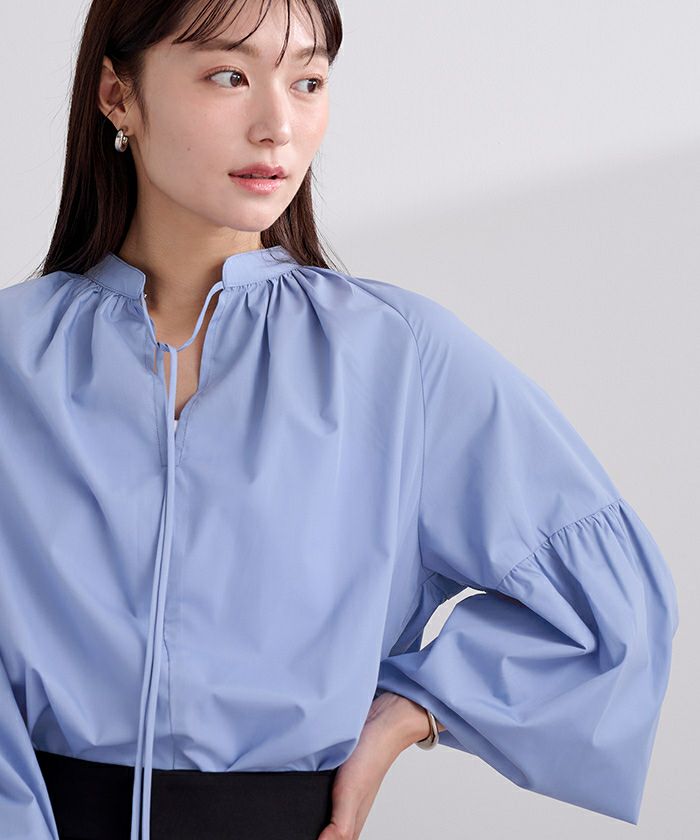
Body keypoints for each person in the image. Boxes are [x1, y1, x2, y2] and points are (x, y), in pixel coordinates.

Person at [0, 1, 679, 839]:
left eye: (308, 81)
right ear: (118, 95)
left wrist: (407, 713)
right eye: (228, 75)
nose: (277, 125)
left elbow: (611, 609)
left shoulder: (398, 355)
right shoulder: (12, 355)